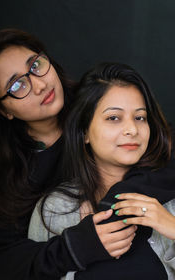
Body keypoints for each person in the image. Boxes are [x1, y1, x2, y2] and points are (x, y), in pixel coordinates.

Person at [0, 30, 137, 280]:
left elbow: (159, 148)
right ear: (3, 109)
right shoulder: (0, 171)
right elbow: (0, 262)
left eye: (36, 65)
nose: (40, 85)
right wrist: (75, 247)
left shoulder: (96, 103)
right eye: (18, 85)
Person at [28, 62, 175, 280]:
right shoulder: (54, 209)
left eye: (140, 117)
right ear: (84, 132)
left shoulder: (170, 199)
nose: (132, 130)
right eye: (113, 118)